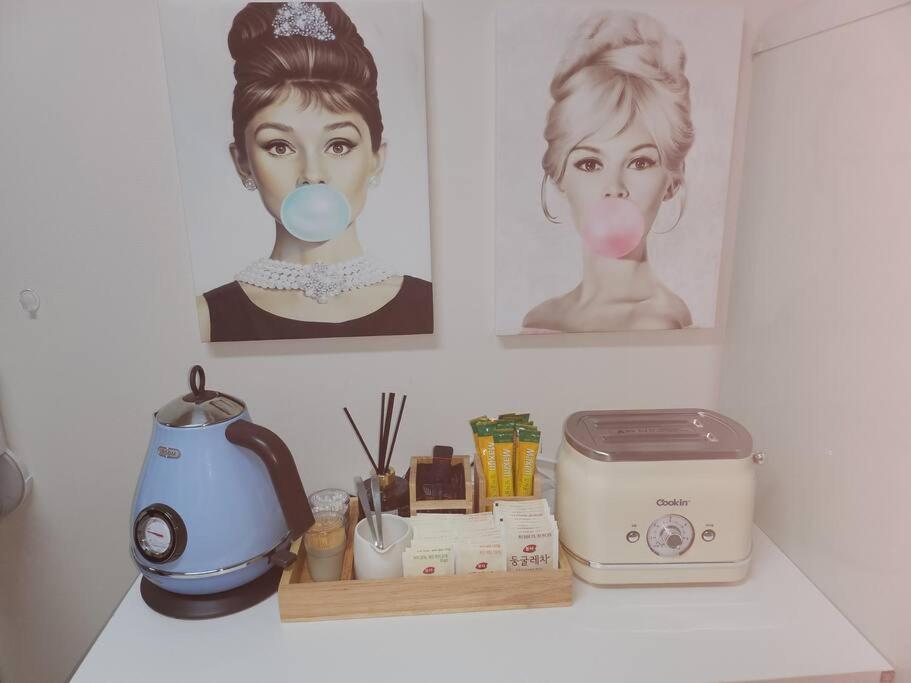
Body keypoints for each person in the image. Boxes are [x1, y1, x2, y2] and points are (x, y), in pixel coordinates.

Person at [198, 1, 433, 342]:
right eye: (280, 146)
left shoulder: (430, 306)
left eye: (338, 145)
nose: (312, 174)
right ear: (242, 162)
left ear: (376, 158)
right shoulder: (206, 318)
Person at [523, 11, 694, 332]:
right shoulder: (540, 318)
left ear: (672, 181)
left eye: (640, 162)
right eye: (590, 164)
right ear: (559, 175)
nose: (614, 188)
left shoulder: (657, 322)